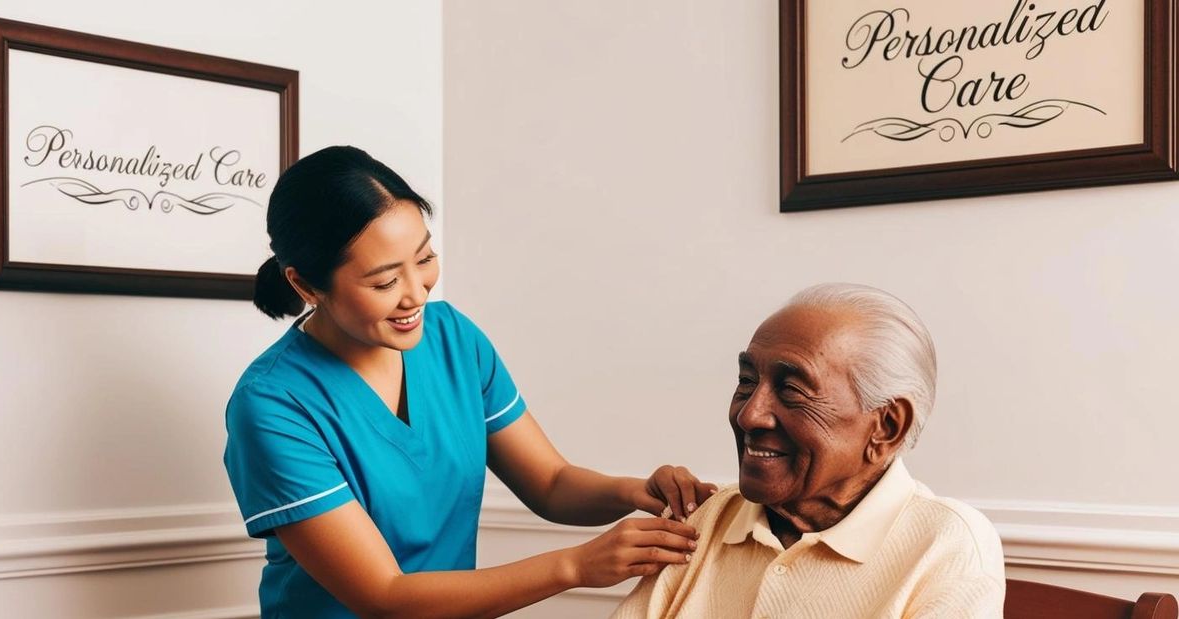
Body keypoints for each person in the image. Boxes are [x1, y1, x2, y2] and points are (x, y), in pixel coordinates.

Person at [223, 145, 718, 618]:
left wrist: (635, 491)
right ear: (306, 285)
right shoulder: (272, 405)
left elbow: (550, 483)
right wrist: (575, 566)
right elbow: (384, 597)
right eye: (384, 282)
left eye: (424, 259)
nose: (416, 295)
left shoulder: (453, 339)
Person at [611, 283, 1006, 619]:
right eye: (747, 381)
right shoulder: (708, 518)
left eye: (791, 390)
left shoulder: (947, 544)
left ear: (886, 426)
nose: (750, 414)